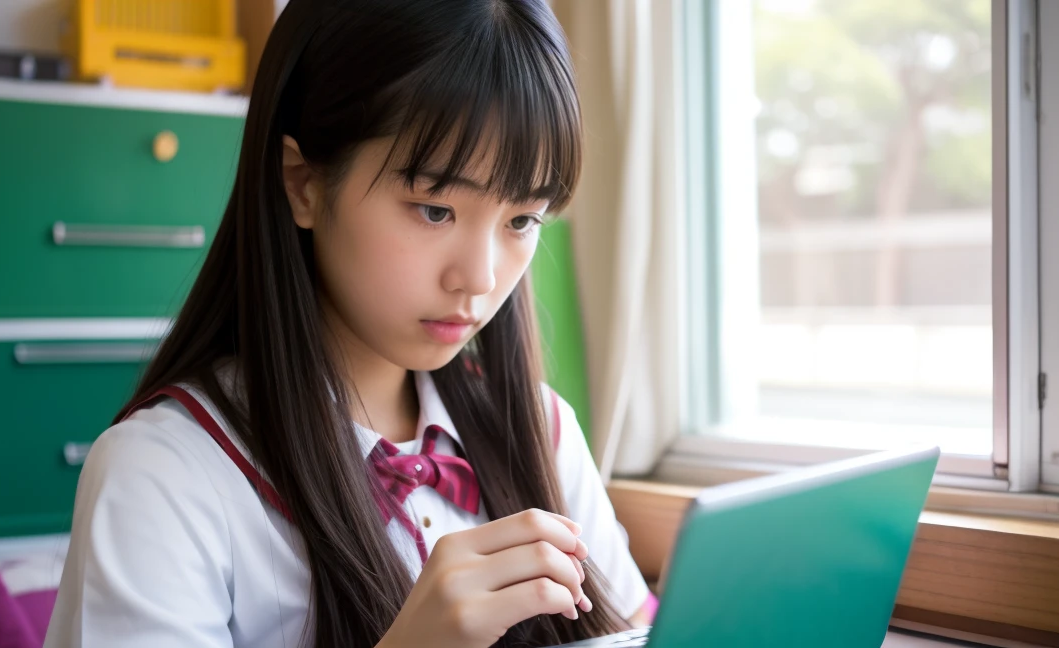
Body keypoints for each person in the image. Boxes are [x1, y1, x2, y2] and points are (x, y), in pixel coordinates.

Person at [44, 1, 652, 646]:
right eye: (434, 209)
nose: (479, 277)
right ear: (304, 184)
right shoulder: (163, 473)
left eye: (522, 220)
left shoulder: (541, 428)